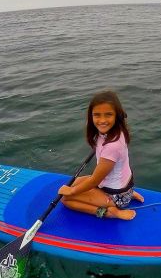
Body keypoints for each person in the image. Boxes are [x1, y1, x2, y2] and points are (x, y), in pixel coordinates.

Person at [58, 91, 144, 220]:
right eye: (97, 115)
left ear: (116, 115)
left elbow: (94, 181)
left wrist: (72, 192)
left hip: (116, 196)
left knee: (66, 199)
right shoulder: (115, 131)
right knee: (72, 183)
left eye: (108, 115)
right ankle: (129, 193)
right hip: (120, 186)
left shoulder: (112, 146)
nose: (102, 120)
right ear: (91, 116)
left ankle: (111, 213)